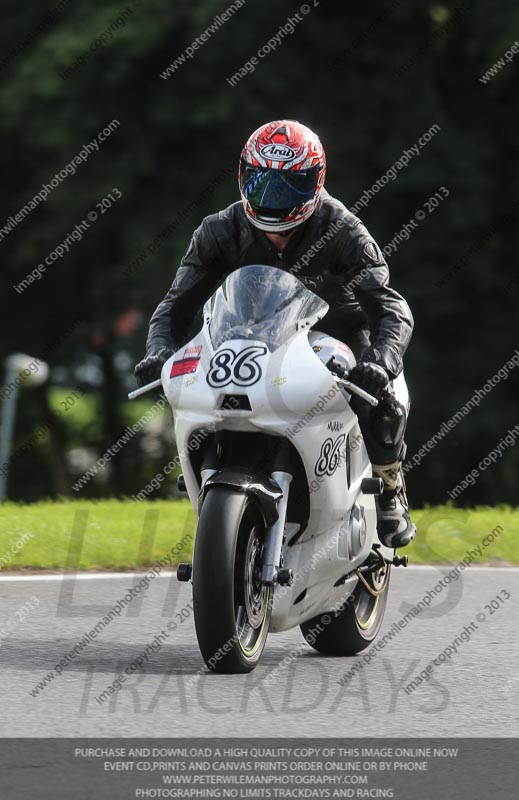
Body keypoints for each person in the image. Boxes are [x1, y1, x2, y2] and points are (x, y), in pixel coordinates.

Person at [135, 120, 416, 548]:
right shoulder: (219, 230)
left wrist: (381, 360)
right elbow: (175, 306)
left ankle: (390, 486)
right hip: (252, 335)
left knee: (384, 401)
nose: (274, 198)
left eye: (289, 185)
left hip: (336, 333)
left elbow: (391, 306)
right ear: (243, 177)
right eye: (262, 183)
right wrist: (159, 350)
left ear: (316, 182)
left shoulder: (344, 231)